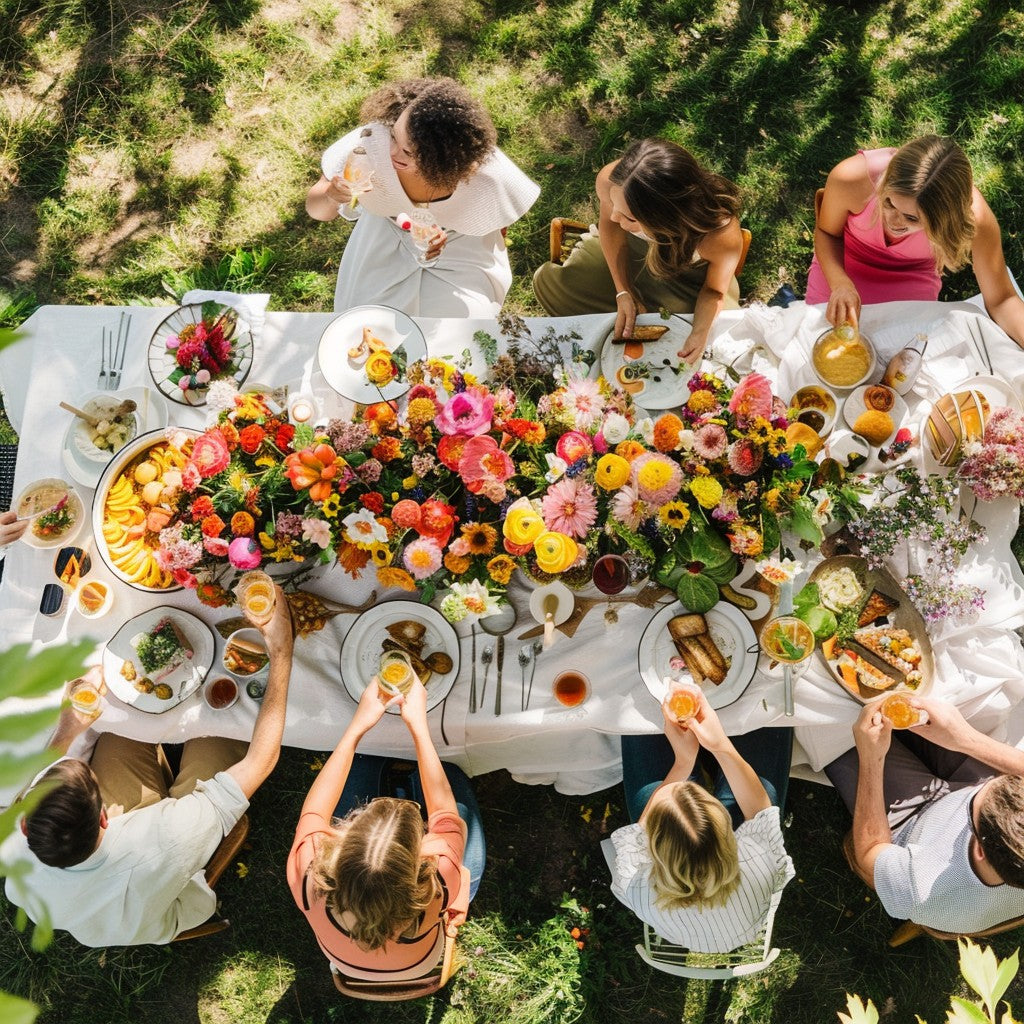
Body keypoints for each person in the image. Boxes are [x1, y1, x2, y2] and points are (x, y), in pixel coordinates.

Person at [2, 584, 294, 946]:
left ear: (27, 825)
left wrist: (67, 729)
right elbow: (261, 762)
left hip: (101, 879)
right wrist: (282, 653)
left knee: (122, 720)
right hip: (163, 889)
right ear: (105, 815)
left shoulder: (12, 844)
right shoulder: (166, 841)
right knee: (223, 723)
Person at [288, 673, 484, 986]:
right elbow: (446, 816)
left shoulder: (309, 874)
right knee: (449, 772)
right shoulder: (440, 876)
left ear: (344, 845)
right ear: (420, 859)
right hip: (419, 960)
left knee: (364, 759)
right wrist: (419, 727)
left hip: (350, 963)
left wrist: (356, 729)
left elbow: (314, 812)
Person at [306, 77, 539, 318]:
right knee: (369, 321)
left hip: (461, 244)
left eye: (409, 152)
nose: (393, 153)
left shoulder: (484, 176)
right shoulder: (369, 146)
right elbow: (316, 210)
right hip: (383, 235)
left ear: (445, 159)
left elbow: (500, 218)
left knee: (460, 330)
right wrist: (332, 196)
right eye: (395, 137)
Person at [605, 689, 794, 952]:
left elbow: (640, 830)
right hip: (743, 905)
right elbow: (760, 810)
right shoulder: (758, 862)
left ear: (653, 850)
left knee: (638, 715)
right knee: (767, 710)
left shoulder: (636, 883)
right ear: (729, 836)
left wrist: (682, 762)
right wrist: (720, 746)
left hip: (688, 923)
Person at [532, 138, 744, 365]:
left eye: (629, 217)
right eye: (615, 207)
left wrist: (699, 334)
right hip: (631, 254)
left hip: (690, 279)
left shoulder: (719, 235)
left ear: (667, 219)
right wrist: (623, 291)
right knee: (555, 285)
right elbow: (611, 229)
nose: (614, 217)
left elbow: (713, 291)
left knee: (710, 336)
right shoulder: (611, 179)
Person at [826, 695, 1024, 933]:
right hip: (971, 782)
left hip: (907, 822)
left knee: (835, 728)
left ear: (980, 851)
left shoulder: (921, 890)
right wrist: (965, 739)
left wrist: (872, 758)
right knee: (924, 700)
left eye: (976, 803)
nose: (983, 787)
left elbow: (869, 853)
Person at [807, 135, 1024, 346]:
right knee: (817, 339)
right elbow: (827, 233)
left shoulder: (975, 218)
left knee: (901, 357)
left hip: (912, 278)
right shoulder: (852, 177)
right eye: (889, 202)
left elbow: (1002, 300)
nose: (892, 221)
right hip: (843, 266)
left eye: (911, 218)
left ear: (945, 219)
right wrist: (840, 283)